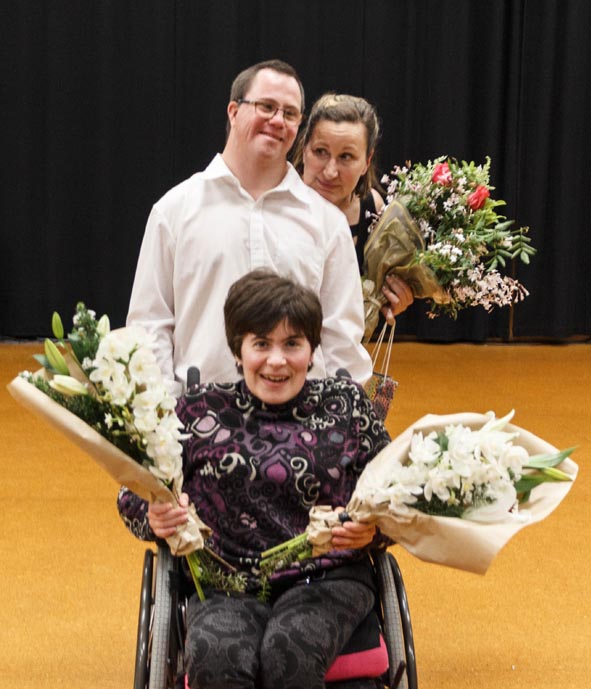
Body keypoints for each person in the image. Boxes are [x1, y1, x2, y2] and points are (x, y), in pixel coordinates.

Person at [118, 269, 391, 689]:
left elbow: (398, 497)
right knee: (215, 656)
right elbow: (134, 490)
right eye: (261, 344)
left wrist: (372, 531)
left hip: (326, 579)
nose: (276, 360)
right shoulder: (198, 411)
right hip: (227, 584)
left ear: (312, 349)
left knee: (289, 650)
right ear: (238, 350)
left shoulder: (348, 406)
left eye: (292, 343)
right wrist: (153, 516)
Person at [126, 61, 372, 397]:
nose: (277, 120)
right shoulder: (174, 210)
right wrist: (161, 417)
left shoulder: (327, 223)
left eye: (289, 113)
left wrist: (343, 422)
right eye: (266, 106)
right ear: (233, 111)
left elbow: (342, 341)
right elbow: (149, 327)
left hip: (301, 430)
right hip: (200, 421)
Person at [293, 93, 414, 325]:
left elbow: (368, 300)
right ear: (304, 147)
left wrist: (392, 299)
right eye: (320, 152)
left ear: (366, 162)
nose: (330, 171)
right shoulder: (276, 202)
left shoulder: (373, 210)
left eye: (346, 156)